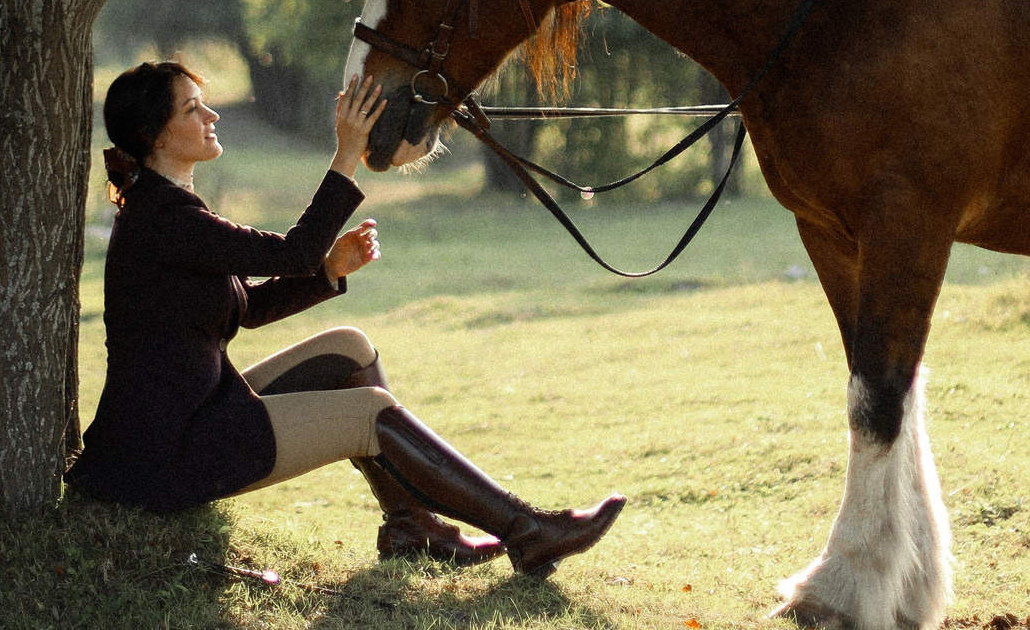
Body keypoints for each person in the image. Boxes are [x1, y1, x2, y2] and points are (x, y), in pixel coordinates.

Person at [65, 59, 625, 576]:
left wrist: (327, 272)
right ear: (153, 134)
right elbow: (290, 252)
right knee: (370, 412)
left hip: (197, 414)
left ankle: (412, 527)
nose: (211, 115)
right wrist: (348, 151)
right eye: (192, 108)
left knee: (350, 349)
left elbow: (248, 308)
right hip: (168, 453)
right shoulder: (162, 219)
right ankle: (529, 531)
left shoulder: (170, 210)